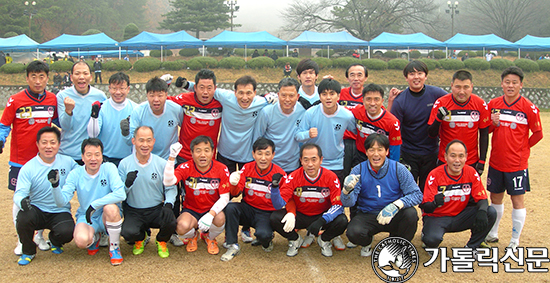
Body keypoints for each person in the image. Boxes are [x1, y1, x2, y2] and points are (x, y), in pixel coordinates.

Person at [0, 60, 59, 255]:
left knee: (41, 198)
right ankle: (22, 240)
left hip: (44, 160)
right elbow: (4, 125)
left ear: (47, 78)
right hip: (20, 160)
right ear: (27, 78)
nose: (37, 80)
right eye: (33, 76)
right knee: (20, 199)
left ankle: (39, 236)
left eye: (41, 76)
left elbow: (62, 123)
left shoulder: (52, 99)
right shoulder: (15, 100)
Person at [485, 66, 543, 250]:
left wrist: (523, 147)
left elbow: (538, 133)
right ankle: (493, 233)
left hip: (516, 164)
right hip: (496, 161)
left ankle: (514, 239)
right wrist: (493, 123)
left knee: (517, 200)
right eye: (507, 82)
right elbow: (486, 130)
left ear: (521, 85)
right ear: (502, 84)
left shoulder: (529, 108)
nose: (510, 85)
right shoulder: (493, 104)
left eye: (514, 83)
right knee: (495, 198)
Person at [341, 134, 422, 257]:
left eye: (380, 149)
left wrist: (396, 205)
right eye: (371, 150)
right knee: (353, 233)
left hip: (393, 213)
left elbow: (417, 194)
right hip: (368, 213)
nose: (376, 154)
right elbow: (349, 203)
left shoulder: (398, 169)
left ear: (387, 151)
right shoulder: (358, 170)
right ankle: (367, 242)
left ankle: (396, 245)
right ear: (366, 152)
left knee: (410, 214)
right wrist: (346, 191)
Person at [51, 138, 126, 265]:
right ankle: (95, 237)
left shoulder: (109, 168)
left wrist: (95, 205)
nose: (93, 159)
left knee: (111, 208)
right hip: (87, 216)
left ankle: (114, 247)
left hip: (106, 216)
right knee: (81, 241)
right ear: (82, 157)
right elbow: (61, 201)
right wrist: (55, 186)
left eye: (97, 154)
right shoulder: (75, 173)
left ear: (102, 156)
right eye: (89, 155)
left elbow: (121, 194)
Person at [13, 127, 78, 265]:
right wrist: (22, 201)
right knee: (23, 218)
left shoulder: (68, 162)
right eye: (44, 142)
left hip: (60, 210)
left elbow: (83, 175)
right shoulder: (28, 168)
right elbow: (19, 193)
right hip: (37, 210)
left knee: (67, 232)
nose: (48, 146)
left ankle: (54, 240)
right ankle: (28, 250)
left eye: (53, 142)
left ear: (59, 144)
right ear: (37, 144)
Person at [269, 143, 348, 257]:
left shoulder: (331, 177)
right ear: (301, 160)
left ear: (321, 160)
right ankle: (295, 239)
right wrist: (275, 188)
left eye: (314, 159)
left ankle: (324, 240)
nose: (310, 164)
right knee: (275, 218)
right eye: (306, 160)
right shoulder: (293, 177)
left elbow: (338, 206)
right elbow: (278, 205)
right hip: (302, 215)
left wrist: (323, 220)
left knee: (342, 220)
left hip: (322, 216)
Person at [420, 140, 497, 250]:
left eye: (461, 156)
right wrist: (434, 203)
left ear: (466, 157)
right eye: (453, 156)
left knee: (490, 212)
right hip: (438, 217)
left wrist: (482, 212)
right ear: (445, 157)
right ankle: (426, 235)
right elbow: (426, 207)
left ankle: (471, 247)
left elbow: (482, 199)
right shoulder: (434, 175)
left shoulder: (471, 172)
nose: (457, 160)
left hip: (460, 216)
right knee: (431, 240)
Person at [221, 138, 287, 261]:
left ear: (273, 155)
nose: (263, 158)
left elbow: (280, 205)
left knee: (263, 236)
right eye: (259, 153)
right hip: (248, 209)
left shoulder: (279, 173)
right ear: (253, 154)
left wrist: (275, 188)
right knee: (231, 207)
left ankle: (267, 239)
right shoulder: (247, 168)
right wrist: (233, 184)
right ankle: (232, 244)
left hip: (266, 213)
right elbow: (235, 194)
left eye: (267, 154)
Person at [163, 136, 230, 255]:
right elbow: (168, 182)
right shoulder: (185, 167)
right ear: (192, 153)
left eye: (206, 150)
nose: (202, 154)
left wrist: (211, 214)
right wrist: (172, 157)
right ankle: (193, 236)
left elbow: (225, 197)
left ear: (212, 152)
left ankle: (209, 237)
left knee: (220, 219)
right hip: (191, 210)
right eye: (198, 150)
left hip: (211, 209)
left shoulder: (221, 168)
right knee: (181, 227)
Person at [119, 126, 177, 258]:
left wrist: (168, 204)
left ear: (153, 141)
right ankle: (141, 237)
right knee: (128, 233)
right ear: (133, 141)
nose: (145, 145)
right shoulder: (124, 164)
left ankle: (161, 241)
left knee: (171, 222)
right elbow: (119, 194)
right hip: (133, 210)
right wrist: (126, 185)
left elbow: (171, 188)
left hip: (155, 208)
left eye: (148, 140)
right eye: (141, 140)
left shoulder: (162, 163)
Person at [387, 60, 447, 189]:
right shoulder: (401, 100)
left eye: (420, 73)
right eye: (412, 74)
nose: (416, 77)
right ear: (406, 77)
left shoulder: (436, 94)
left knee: (429, 193)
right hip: (409, 154)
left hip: (431, 152)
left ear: (425, 76)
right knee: (407, 192)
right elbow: (392, 127)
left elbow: (453, 101)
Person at [427, 70, 490, 176]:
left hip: (470, 161)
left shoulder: (480, 104)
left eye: (466, 87)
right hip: (446, 160)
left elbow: (484, 135)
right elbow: (431, 134)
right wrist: (439, 118)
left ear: (472, 87)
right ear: (451, 86)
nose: (461, 91)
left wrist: (482, 161)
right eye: (458, 87)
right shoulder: (441, 103)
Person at [296, 78, 355, 183]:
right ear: (319, 96)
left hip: (336, 164)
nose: (328, 98)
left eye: (332, 94)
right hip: (313, 163)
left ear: (338, 96)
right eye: (324, 94)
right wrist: (308, 134)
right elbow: (298, 135)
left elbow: (355, 131)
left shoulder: (347, 116)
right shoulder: (310, 113)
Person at [167, 69, 222, 165]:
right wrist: (164, 85)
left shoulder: (221, 103)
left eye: (209, 88)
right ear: (195, 87)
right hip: (184, 157)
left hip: (208, 158)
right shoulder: (185, 99)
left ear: (215, 88)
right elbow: (163, 101)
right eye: (201, 87)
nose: (205, 92)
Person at [254, 78, 308, 173]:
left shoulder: (303, 111)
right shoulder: (267, 112)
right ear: (278, 95)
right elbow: (258, 138)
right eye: (283, 95)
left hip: (292, 165)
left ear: (297, 96)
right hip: (270, 165)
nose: (287, 99)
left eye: (291, 96)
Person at [57, 61, 107, 164]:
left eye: (85, 73)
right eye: (77, 73)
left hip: (91, 155)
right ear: (71, 77)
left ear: (91, 76)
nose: (81, 77)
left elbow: (102, 126)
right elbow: (65, 126)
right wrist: (68, 111)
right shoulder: (62, 96)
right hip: (68, 154)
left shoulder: (100, 96)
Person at [122, 76, 183, 160]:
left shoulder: (176, 109)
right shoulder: (138, 112)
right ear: (147, 95)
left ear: (166, 95)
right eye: (152, 95)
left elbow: (185, 130)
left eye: (160, 95)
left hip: (169, 160)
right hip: (145, 160)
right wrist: (125, 133)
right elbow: (131, 141)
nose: (156, 99)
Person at [87, 72, 137, 166]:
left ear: (128, 89)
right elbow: (92, 134)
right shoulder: (101, 108)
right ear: (109, 88)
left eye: (122, 88)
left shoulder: (136, 109)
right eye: (114, 88)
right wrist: (94, 117)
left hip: (128, 160)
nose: (118, 92)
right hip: (105, 159)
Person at [352, 83, 401, 164]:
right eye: (368, 99)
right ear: (362, 100)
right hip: (361, 157)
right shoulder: (356, 112)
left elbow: (395, 149)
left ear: (382, 101)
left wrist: (393, 169)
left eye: (376, 99)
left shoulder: (392, 122)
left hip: (381, 159)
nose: (372, 103)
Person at [339, 64, 369, 177]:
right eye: (352, 75)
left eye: (359, 75)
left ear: (365, 78)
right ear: (347, 78)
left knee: (361, 175)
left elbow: (382, 115)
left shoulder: (369, 96)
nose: (356, 78)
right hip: (343, 141)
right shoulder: (340, 94)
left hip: (362, 142)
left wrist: (390, 100)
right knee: (344, 173)